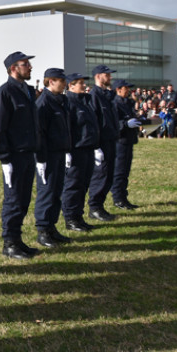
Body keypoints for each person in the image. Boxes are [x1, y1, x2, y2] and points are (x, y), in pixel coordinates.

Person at [0, 51, 40, 260]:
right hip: (14, 156)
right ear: (13, 68)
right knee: (14, 200)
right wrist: (4, 159)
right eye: (25, 64)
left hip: (28, 153)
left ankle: (17, 240)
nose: (30, 67)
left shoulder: (27, 91)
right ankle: (9, 243)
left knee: (24, 199)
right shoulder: (5, 93)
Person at [33, 69, 74, 248]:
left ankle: (51, 227)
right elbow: (39, 133)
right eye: (61, 80)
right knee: (47, 191)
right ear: (50, 82)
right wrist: (40, 159)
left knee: (57, 190)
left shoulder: (60, 101)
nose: (64, 84)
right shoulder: (44, 102)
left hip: (59, 152)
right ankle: (43, 230)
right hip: (47, 154)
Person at [60, 73, 100, 232]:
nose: (84, 86)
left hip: (88, 149)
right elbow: (67, 128)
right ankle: (70, 218)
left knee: (84, 184)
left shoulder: (84, 101)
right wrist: (67, 150)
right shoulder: (68, 103)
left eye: (84, 83)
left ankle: (78, 216)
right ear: (71, 86)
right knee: (73, 185)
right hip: (76, 150)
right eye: (80, 83)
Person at [87, 65, 120, 221]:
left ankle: (99, 206)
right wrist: (96, 146)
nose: (110, 78)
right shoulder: (94, 95)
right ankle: (94, 207)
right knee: (101, 175)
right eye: (107, 75)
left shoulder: (107, 95)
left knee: (109, 175)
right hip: (101, 142)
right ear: (98, 76)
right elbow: (94, 122)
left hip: (111, 140)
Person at [111, 79, 149, 210]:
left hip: (129, 140)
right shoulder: (114, 103)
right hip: (120, 141)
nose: (128, 91)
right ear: (118, 89)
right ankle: (118, 198)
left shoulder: (127, 102)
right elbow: (113, 123)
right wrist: (125, 124)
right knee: (119, 171)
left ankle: (123, 197)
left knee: (125, 170)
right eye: (126, 88)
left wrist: (140, 119)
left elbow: (131, 116)